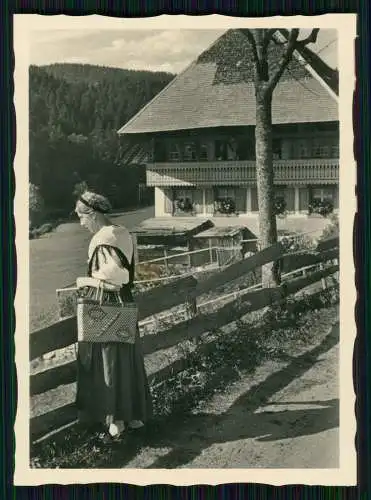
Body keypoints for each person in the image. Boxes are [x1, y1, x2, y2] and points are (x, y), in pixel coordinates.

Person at [74, 190, 152, 441]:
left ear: (93, 215)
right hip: (124, 302)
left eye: (81, 217)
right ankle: (133, 415)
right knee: (127, 356)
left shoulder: (102, 238)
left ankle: (115, 420)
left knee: (108, 358)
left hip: (106, 304)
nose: (81, 223)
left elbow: (118, 276)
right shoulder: (121, 232)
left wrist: (84, 280)